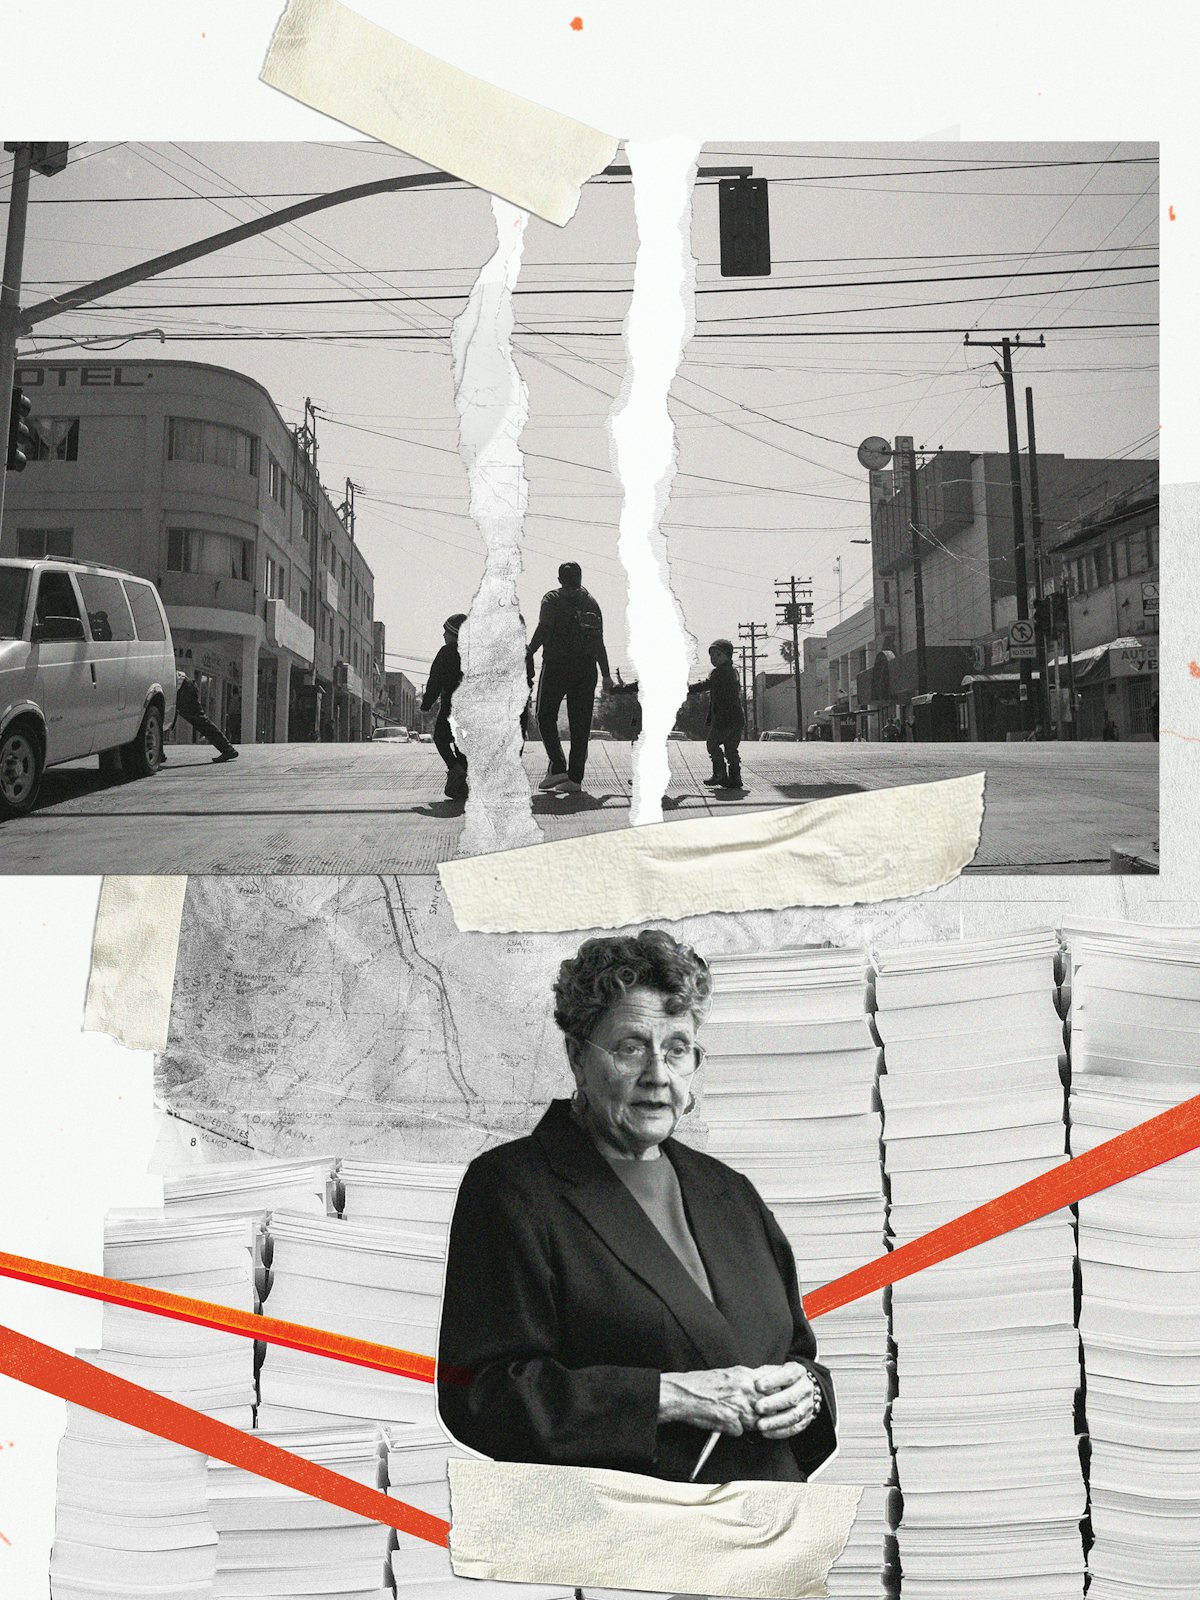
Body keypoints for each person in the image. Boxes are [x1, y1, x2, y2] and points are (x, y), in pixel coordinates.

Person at [438, 929, 837, 1484]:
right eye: (630, 1047)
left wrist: (808, 1391)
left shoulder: (731, 1192)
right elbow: (479, 1395)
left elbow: (795, 1350)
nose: (658, 1074)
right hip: (631, 1540)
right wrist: (666, 1398)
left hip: (768, 1530)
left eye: (677, 1050)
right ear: (578, 1056)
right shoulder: (513, 1187)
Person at [526, 562, 614, 793]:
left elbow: (544, 628)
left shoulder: (552, 598)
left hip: (557, 665)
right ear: (580, 577)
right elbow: (598, 640)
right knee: (580, 724)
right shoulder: (591, 602)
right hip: (586, 668)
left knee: (544, 715)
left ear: (559, 578)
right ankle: (574, 779)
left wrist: (530, 650)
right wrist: (605, 674)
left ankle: (557, 765)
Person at [687, 639, 745, 791]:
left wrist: (685, 689)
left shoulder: (719, 673)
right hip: (737, 718)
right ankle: (735, 777)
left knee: (712, 744)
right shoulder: (733, 672)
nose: (714, 658)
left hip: (725, 719)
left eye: (718, 655)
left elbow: (705, 686)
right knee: (731, 749)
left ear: (728, 656)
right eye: (712, 655)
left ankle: (719, 774)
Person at [422, 614, 468, 799]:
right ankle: (459, 780)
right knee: (463, 745)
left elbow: (435, 680)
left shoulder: (446, 652)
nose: (443, 635)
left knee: (441, 739)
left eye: (446, 631)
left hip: (451, 705)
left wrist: (427, 703)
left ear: (454, 633)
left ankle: (454, 768)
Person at [168, 670, 238, 763]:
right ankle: (227, 749)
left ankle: (227, 749)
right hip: (182, 686)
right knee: (200, 721)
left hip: (182, 688)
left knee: (200, 721)